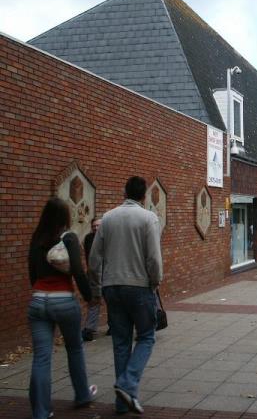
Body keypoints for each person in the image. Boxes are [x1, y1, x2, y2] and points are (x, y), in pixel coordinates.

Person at [89, 176, 162, 415]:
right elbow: (153, 257)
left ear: (124, 192)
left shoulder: (107, 218)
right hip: (139, 287)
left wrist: (97, 286)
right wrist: (155, 282)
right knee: (146, 337)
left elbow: (94, 258)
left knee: (120, 344)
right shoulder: (148, 218)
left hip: (112, 287)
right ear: (144, 196)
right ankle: (127, 384)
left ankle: (123, 402)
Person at [28, 197, 97, 419]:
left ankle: (40, 411)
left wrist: (40, 292)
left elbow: (32, 273)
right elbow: (78, 271)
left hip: (38, 300)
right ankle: (82, 395)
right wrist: (89, 296)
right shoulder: (68, 237)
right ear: (65, 217)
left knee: (41, 357)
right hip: (63, 300)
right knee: (74, 348)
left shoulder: (36, 239)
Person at [81, 218, 104, 341]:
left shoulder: (108, 237)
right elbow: (88, 257)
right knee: (94, 301)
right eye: (94, 226)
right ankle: (90, 329)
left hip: (107, 273)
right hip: (93, 274)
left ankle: (113, 326)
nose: (96, 228)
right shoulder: (88, 238)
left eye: (98, 225)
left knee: (111, 302)